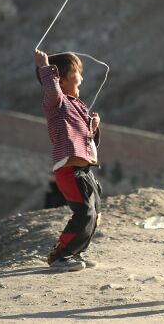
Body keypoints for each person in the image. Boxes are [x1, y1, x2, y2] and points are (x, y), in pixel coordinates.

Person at [35, 49, 102, 272]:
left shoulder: (77, 105)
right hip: (69, 171)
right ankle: (59, 255)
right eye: (76, 72)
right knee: (83, 213)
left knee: (95, 214)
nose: (81, 77)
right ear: (60, 80)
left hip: (85, 172)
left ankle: (77, 251)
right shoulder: (55, 103)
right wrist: (45, 67)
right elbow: (52, 90)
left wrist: (92, 128)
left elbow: (84, 142)